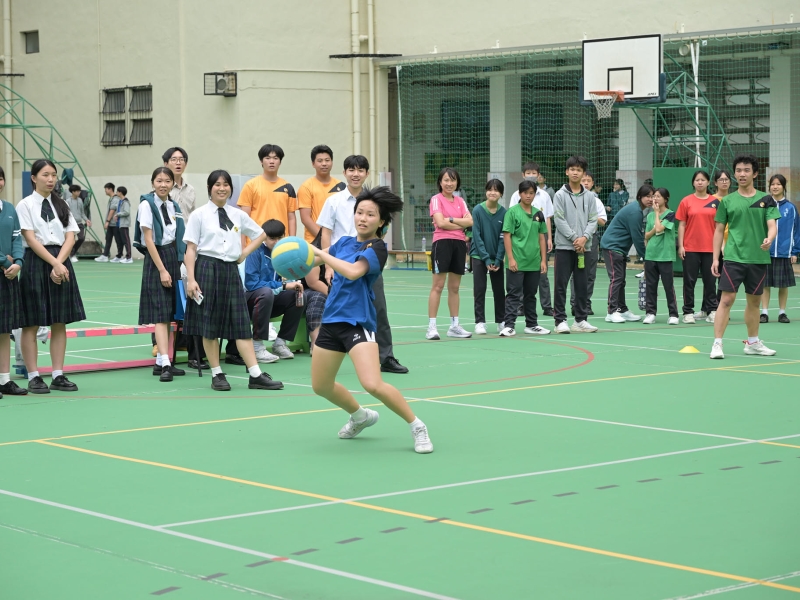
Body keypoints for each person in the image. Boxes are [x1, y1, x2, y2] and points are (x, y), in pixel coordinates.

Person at [310, 186, 433, 454]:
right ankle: (360, 416)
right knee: (321, 386)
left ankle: (417, 426)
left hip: (358, 323)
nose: (363, 218)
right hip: (331, 321)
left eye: (370, 214)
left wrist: (323, 256)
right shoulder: (343, 243)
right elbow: (312, 260)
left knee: (372, 384)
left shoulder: (376, 248)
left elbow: (354, 271)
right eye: (359, 212)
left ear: (381, 221)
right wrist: (295, 255)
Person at [183, 170, 283, 391]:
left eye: (226, 184)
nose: (222, 188)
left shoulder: (237, 214)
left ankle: (255, 375)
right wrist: (191, 279)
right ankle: (217, 374)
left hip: (230, 270)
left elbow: (260, 234)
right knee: (209, 325)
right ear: (209, 188)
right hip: (207, 269)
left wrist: (243, 254)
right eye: (217, 184)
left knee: (240, 324)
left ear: (230, 188)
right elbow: (190, 249)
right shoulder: (199, 215)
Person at [317, 155, 408, 373]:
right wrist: (327, 265)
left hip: (365, 262)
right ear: (345, 173)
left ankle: (385, 356)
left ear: (366, 173)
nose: (355, 174)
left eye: (360, 170)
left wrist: (370, 251)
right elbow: (326, 234)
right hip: (339, 259)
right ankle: (342, 352)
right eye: (351, 169)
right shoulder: (334, 201)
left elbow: (379, 236)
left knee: (378, 310)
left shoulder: (377, 208)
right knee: (339, 309)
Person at [17, 160, 85, 394]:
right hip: (36, 260)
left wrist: (60, 262)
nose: (51, 179)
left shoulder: (62, 204)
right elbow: (30, 238)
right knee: (31, 322)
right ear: (34, 178)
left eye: (54, 175)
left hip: (61, 259)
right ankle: (34, 376)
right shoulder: (25, 205)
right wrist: (55, 263)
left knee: (59, 320)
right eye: (45, 175)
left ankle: (58, 374)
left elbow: (70, 236)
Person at [711, 154, 779, 359]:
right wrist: (715, 258)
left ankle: (753, 343)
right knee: (726, 300)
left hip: (758, 258)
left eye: (746, 170)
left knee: (754, 302)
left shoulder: (766, 199)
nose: (742, 174)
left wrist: (769, 239)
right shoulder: (727, 201)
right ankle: (717, 344)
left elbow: (772, 226)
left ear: (755, 174)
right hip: (733, 257)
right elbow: (718, 230)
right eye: (739, 170)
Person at [133, 167, 186, 383]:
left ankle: (161, 362)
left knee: (171, 314)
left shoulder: (174, 206)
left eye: (167, 181)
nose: (163, 185)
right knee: (161, 315)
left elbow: (179, 236)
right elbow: (148, 239)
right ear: (153, 183)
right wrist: (162, 269)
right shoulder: (147, 205)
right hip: (157, 258)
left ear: (173, 183)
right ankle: (165, 363)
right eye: (159, 180)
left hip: (173, 257)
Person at [244, 219, 307, 362]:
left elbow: (284, 279)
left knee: (299, 295)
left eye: (280, 238)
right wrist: (283, 286)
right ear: (264, 237)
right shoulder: (255, 251)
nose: (276, 242)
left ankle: (280, 343)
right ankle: (257, 347)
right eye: (272, 238)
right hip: (250, 302)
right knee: (266, 293)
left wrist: (293, 283)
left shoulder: (283, 254)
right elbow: (252, 284)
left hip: (269, 301)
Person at [552, 156, 599, 334]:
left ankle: (580, 320)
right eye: (572, 169)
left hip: (584, 248)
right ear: (567, 172)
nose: (575, 173)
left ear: (583, 173)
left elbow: (593, 220)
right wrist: (575, 238)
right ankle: (560, 321)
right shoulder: (559, 195)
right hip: (565, 247)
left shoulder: (590, 196)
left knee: (581, 285)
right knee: (561, 284)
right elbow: (559, 219)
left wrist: (584, 238)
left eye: (579, 170)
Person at [426, 168, 473, 339]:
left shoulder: (460, 201)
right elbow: (440, 223)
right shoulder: (436, 199)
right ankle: (431, 327)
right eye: (446, 180)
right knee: (438, 286)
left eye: (452, 180)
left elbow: (470, 221)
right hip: (442, 243)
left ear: (457, 182)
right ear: (440, 182)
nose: (449, 183)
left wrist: (451, 220)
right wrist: (460, 224)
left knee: (454, 287)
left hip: (459, 244)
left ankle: (454, 326)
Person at [499, 181, 549, 337]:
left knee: (531, 295)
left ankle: (531, 325)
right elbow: (507, 236)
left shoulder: (538, 214)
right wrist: (511, 259)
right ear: (519, 194)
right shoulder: (512, 212)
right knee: (513, 294)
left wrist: (543, 260)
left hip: (534, 262)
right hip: (517, 262)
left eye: (531, 193)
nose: (528, 196)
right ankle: (509, 325)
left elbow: (542, 238)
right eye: (525, 193)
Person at [601, 185, 653, 323]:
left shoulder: (638, 210)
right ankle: (611, 311)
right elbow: (637, 237)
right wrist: (646, 258)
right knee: (616, 279)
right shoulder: (635, 212)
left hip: (619, 249)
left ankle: (622, 310)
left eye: (652, 196)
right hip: (612, 246)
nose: (650, 199)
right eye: (647, 196)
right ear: (640, 197)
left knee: (621, 280)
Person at [509, 162, 554, 316]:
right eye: (528, 172)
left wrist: (549, 238)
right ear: (523, 175)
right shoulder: (516, 195)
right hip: (521, 238)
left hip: (540, 236)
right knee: (521, 272)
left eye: (534, 172)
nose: (531, 175)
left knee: (543, 273)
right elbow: (512, 217)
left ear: (538, 175)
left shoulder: (545, 195)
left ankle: (547, 306)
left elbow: (548, 218)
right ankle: (521, 306)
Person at [676, 170, 719, 324]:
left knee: (710, 282)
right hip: (690, 248)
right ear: (693, 183)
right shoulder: (686, 201)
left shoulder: (715, 202)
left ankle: (712, 310)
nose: (700, 182)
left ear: (708, 182)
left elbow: (719, 227)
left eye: (703, 180)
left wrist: (719, 247)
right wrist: (681, 245)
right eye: (697, 180)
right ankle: (688, 312)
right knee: (689, 282)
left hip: (710, 249)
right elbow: (682, 225)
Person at [0, 166, 27, 396]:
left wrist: (18, 262)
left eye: (0, 178)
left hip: (8, 276)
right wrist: (5, 262)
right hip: (5, 268)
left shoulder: (9, 208)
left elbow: (17, 238)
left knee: (3, 330)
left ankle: (4, 380)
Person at [761, 174, 799, 324]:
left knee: (783, 284)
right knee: (765, 284)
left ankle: (782, 312)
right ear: (769, 186)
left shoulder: (791, 208)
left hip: (784, 252)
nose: (775, 187)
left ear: (784, 187)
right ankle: (764, 312)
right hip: (765, 251)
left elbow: (796, 231)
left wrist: (794, 251)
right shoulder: (763, 206)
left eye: (778, 184)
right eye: (773, 184)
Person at [471, 179, 507, 335]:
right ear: (486, 191)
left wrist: (498, 259)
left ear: (501, 194)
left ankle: (501, 321)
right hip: (479, 256)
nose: (493, 193)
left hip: (496, 257)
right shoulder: (477, 210)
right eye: (490, 189)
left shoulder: (504, 213)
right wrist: (485, 258)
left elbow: (503, 238)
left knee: (499, 290)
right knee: (479, 289)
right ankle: (480, 322)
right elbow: (476, 236)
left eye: (496, 190)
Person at [237, 144, 297, 237]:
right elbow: (244, 218)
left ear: (280, 162)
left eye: (275, 158)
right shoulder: (250, 185)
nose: (271, 161)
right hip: (256, 240)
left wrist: (292, 240)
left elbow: (291, 218)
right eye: (267, 158)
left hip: (281, 240)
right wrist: (243, 243)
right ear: (261, 161)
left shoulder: (288, 187)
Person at [569, 171, 606, 316]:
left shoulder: (596, 201)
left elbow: (602, 221)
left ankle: (586, 303)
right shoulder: (570, 197)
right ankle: (574, 303)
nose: (585, 183)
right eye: (583, 180)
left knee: (590, 273)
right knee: (575, 272)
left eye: (588, 181)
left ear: (592, 184)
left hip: (591, 239)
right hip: (574, 238)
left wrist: (591, 216)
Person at [642, 188, 679, 325]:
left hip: (665, 255)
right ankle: (650, 313)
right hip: (651, 254)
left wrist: (657, 214)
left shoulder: (670, 214)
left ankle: (673, 314)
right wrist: (655, 224)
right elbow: (647, 235)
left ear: (666, 199)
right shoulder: (650, 216)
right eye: (654, 196)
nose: (655, 199)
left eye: (658, 196)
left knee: (668, 286)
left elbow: (659, 229)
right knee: (651, 286)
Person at [298, 144, 345, 244]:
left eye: (327, 160)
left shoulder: (341, 186)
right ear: (313, 164)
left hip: (338, 241)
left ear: (332, 162)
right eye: (320, 161)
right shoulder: (306, 187)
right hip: (314, 241)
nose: (324, 164)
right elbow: (305, 219)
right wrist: (324, 238)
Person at [164, 147, 196, 218]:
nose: (178, 163)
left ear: (185, 164)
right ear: (166, 164)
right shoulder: (163, 189)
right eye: (174, 159)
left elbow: (193, 214)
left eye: (181, 159)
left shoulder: (190, 189)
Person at [95, 182, 120, 262]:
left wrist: (107, 221)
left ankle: (119, 255)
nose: (105, 191)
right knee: (108, 239)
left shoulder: (115, 199)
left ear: (110, 189)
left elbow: (112, 210)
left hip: (114, 223)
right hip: (111, 224)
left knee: (118, 240)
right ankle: (105, 255)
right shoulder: (111, 199)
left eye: (106, 189)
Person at [66, 184, 90, 263]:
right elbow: (66, 213)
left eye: (79, 191)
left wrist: (86, 220)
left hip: (79, 223)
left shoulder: (80, 200)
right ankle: (71, 255)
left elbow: (82, 213)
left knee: (81, 238)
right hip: (71, 224)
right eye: (77, 191)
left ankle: (72, 253)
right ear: (73, 192)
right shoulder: (68, 201)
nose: (79, 192)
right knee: (71, 240)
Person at [113, 186, 132, 263]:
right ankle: (119, 255)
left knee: (126, 241)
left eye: (117, 191)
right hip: (119, 224)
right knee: (119, 241)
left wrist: (118, 214)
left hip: (124, 224)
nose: (116, 193)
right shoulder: (120, 201)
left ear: (120, 192)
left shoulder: (125, 202)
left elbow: (127, 212)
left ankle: (129, 257)